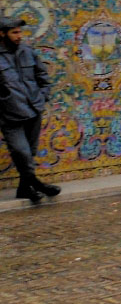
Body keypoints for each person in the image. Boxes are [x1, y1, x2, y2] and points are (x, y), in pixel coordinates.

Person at [0, 17, 60, 202]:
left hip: (33, 111)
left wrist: (42, 97)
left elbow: (42, 75)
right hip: (10, 116)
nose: (19, 36)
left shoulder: (27, 51)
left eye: (20, 32)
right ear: (2, 34)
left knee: (29, 153)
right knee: (21, 152)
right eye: (15, 33)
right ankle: (38, 184)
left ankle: (24, 189)